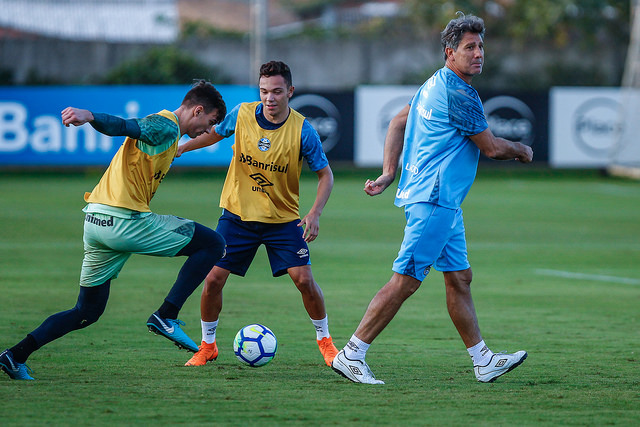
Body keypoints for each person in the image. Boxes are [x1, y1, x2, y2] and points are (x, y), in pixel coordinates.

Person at [331, 13, 533, 385]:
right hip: (434, 200)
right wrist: (521, 148)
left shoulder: (434, 83)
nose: (478, 54)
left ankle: (483, 360)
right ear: (449, 53)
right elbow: (490, 148)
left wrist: (390, 173)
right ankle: (352, 353)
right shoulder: (458, 92)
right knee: (405, 279)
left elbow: (396, 121)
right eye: (469, 47)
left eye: (480, 46)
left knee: (460, 278)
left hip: (442, 202)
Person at [0, 80, 227, 380]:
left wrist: (179, 149)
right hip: (124, 221)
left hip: (95, 221)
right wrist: (89, 115)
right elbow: (125, 125)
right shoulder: (166, 126)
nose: (208, 130)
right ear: (198, 110)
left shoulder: (170, 136)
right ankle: (166, 315)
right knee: (212, 244)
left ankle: (14, 356)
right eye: (210, 122)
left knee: (86, 311)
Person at [176, 61, 339, 367]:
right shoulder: (242, 114)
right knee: (212, 279)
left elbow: (325, 175)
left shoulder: (303, 130)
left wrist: (315, 213)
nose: (269, 98)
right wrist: (185, 147)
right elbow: (215, 134)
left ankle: (326, 341)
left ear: (289, 91)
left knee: (304, 280)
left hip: (282, 221)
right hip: (237, 215)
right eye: (264, 91)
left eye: (277, 91)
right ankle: (208, 345)